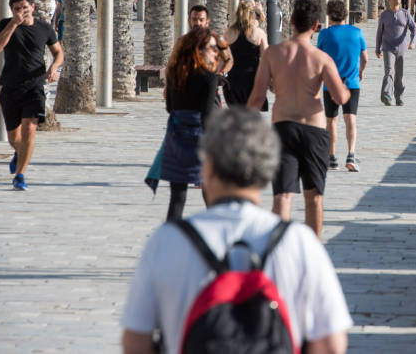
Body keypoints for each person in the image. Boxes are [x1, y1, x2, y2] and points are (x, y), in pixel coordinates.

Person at [121, 108, 352, 354]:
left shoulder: (168, 241)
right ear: (268, 169)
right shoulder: (299, 242)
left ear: (208, 168)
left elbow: (135, 342)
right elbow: (331, 345)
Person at [247, 0, 349, 237]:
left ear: (291, 21)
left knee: (282, 196)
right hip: (314, 130)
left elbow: (257, 97)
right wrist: (344, 88)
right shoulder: (321, 58)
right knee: (314, 197)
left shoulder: (273, 54)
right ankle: (312, 248)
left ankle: (277, 248)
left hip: (282, 128)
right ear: (315, 25)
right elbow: (339, 97)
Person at [0, 0, 64, 191]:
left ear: (33, 7)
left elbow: (58, 52)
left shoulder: (44, 28)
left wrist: (54, 67)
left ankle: (20, 175)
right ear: (11, 10)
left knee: (29, 130)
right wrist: (13, 25)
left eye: (24, 7)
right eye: (17, 9)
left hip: (35, 87)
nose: (21, 11)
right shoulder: (5, 25)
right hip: (10, 87)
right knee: (14, 138)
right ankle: (19, 153)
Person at [158, 27, 226, 221]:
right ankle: (214, 231)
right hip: (200, 135)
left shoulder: (175, 74)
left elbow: (170, 107)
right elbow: (207, 114)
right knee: (209, 193)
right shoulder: (209, 77)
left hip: (177, 135)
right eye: (211, 48)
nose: (215, 52)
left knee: (177, 198)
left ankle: (171, 234)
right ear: (199, 49)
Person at [316, 0, 367, 173]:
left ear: (330, 15)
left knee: (331, 120)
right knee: (350, 118)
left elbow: (319, 59)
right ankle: (351, 155)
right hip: (351, 83)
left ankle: (331, 158)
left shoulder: (325, 34)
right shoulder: (357, 33)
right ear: (345, 14)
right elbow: (365, 58)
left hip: (330, 84)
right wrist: (360, 72)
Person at [222, 1, 268, 109]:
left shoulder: (229, 32)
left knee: (235, 115)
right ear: (252, 14)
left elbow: (223, 57)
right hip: (252, 80)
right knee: (251, 116)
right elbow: (266, 58)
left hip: (233, 79)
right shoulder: (259, 33)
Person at [376, 0, 416, 107]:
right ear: (389, 0)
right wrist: (378, 48)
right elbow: (379, 33)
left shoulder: (405, 14)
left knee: (399, 74)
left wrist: (412, 42)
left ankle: (399, 97)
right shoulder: (384, 15)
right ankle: (386, 95)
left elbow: (413, 28)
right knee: (389, 71)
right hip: (387, 47)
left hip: (401, 48)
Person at [187, 4, 232, 74]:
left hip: (211, 77)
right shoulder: (184, 41)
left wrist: (221, 74)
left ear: (207, 22)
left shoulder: (217, 39)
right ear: (189, 21)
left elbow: (229, 60)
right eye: (194, 19)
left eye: (201, 20)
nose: (197, 23)